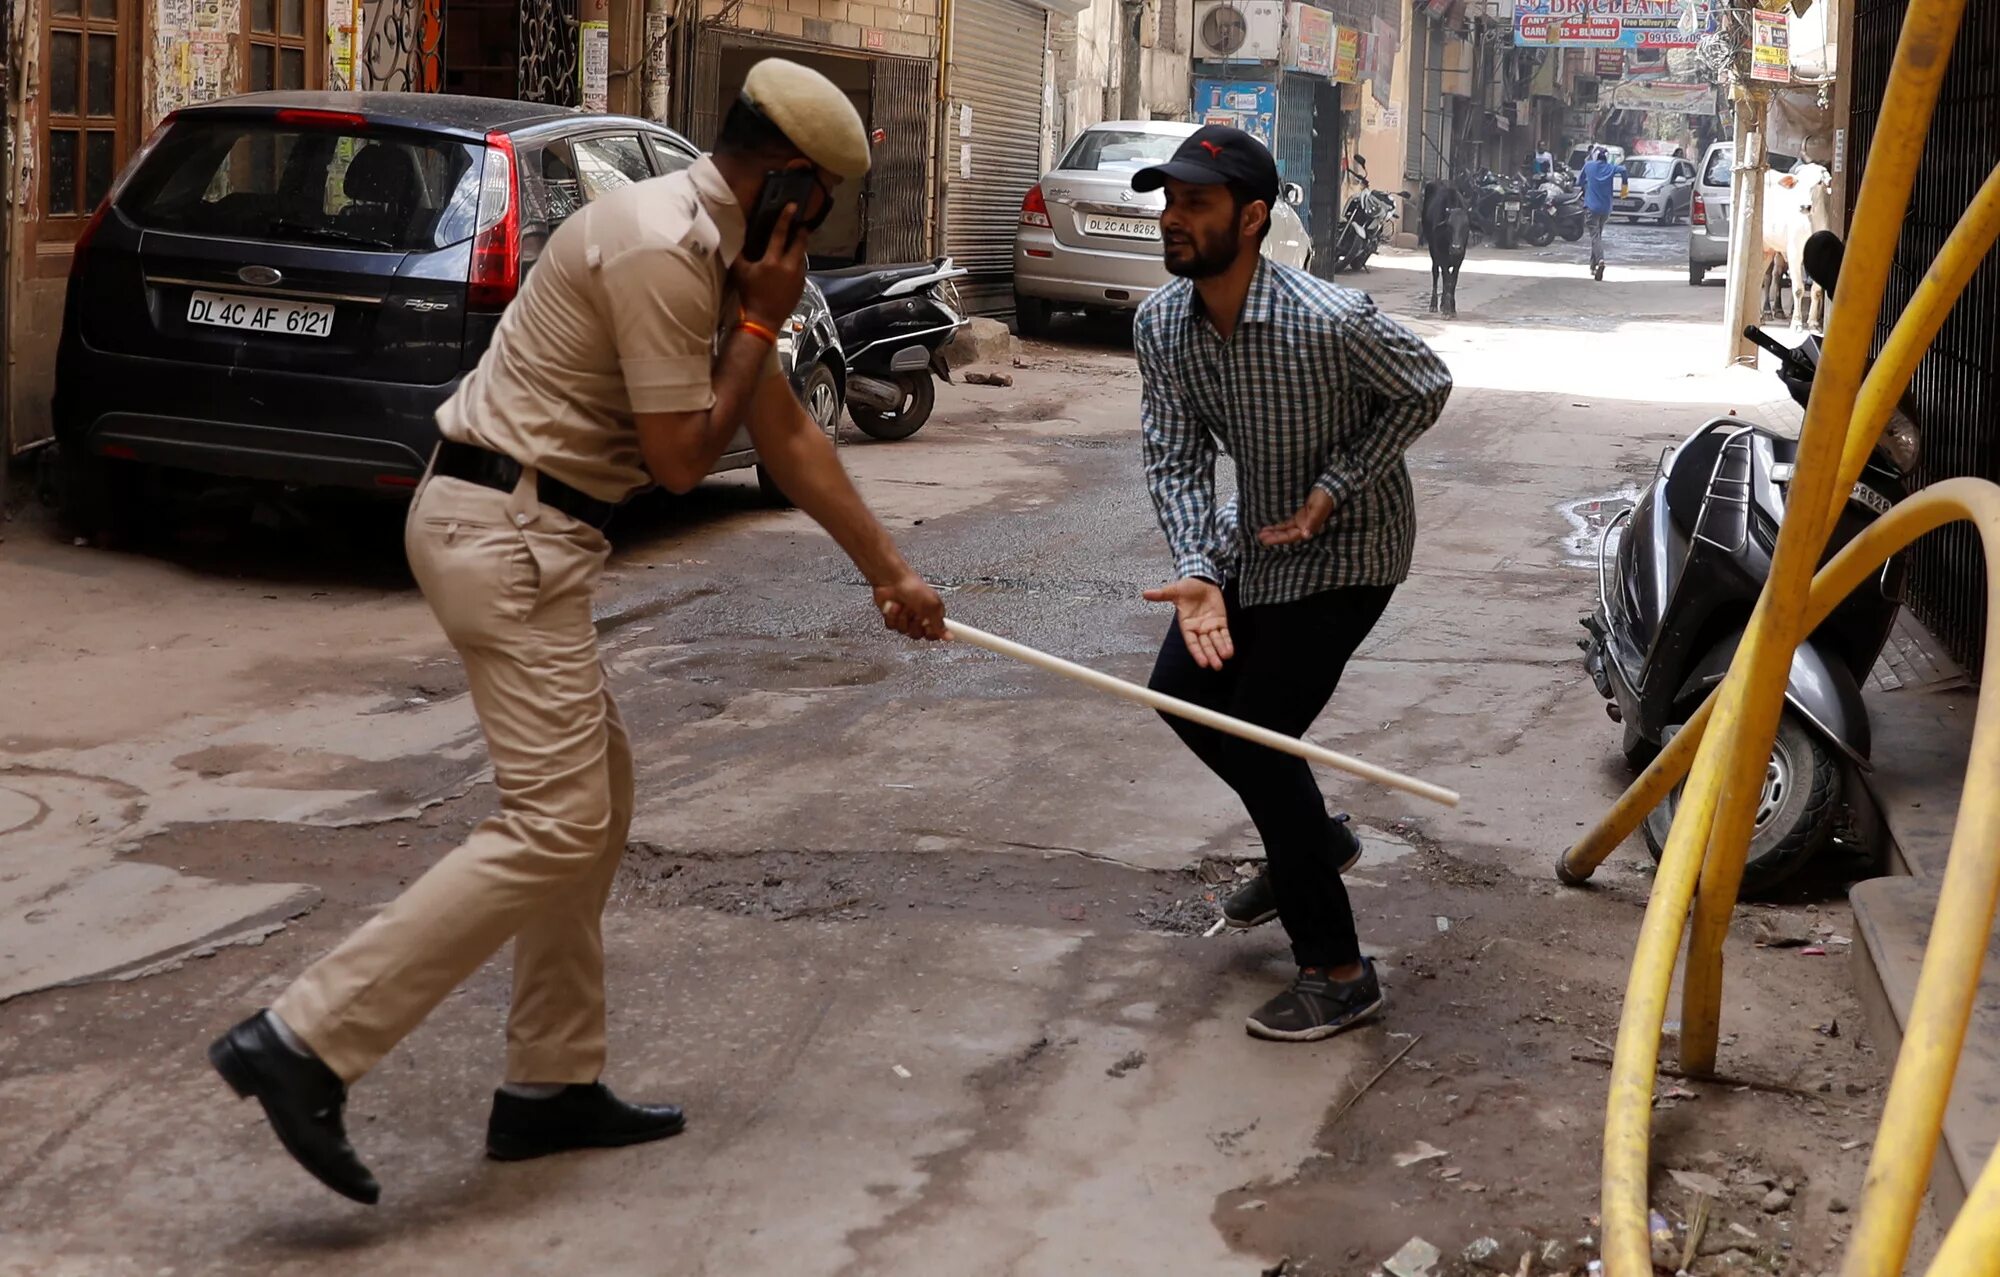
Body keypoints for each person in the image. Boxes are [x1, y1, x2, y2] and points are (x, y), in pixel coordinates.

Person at [206, 58, 947, 1204]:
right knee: (555, 823)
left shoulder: (705, 245)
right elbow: (682, 461)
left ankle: (548, 1084)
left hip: (526, 534)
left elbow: (786, 436)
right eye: (823, 203)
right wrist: (758, 316)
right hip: (504, 532)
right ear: (792, 184)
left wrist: (889, 573)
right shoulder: (661, 245)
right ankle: (303, 1039)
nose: (819, 230)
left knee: (590, 813)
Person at [1129, 125, 1452, 1043]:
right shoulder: (1161, 324)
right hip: (1254, 538)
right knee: (1185, 694)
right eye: (1169, 200)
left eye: (1194, 202)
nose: (1173, 218)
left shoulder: (1329, 319)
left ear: (1253, 216)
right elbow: (1176, 455)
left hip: (1352, 549)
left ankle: (1340, 969)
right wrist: (1198, 570)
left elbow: (1426, 383)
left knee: (1263, 737)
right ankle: (1310, 841)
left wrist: (1335, 486)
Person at [1581, 146, 1629, 282]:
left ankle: (1600, 260)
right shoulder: (1611, 168)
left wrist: (1587, 184)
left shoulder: (1589, 166)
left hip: (1591, 207)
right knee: (1597, 237)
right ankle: (1593, 266)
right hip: (1605, 208)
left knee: (1595, 236)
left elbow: (1580, 181)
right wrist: (1624, 186)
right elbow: (1624, 170)